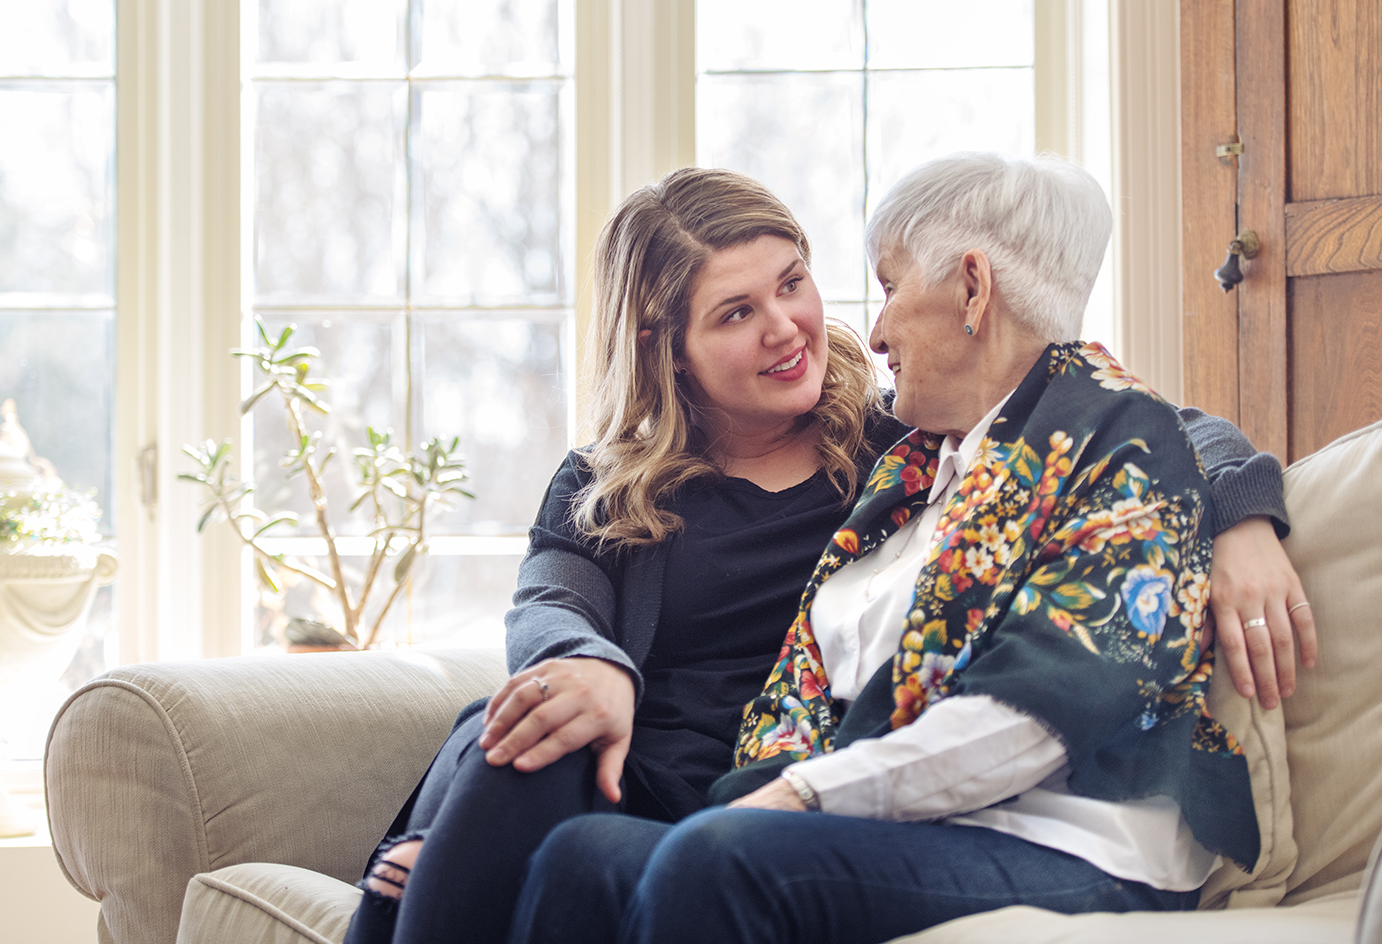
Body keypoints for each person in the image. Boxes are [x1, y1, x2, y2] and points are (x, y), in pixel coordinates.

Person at [345, 165, 1308, 944]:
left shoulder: (899, 434)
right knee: (524, 733)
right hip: (631, 764)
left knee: (531, 817)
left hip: (777, 784)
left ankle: (456, 868)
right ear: (666, 346)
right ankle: (460, 864)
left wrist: (1241, 519)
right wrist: (591, 667)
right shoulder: (608, 481)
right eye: (734, 313)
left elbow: (1140, 424)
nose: (787, 327)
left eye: (792, 283)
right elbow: (549, 601)